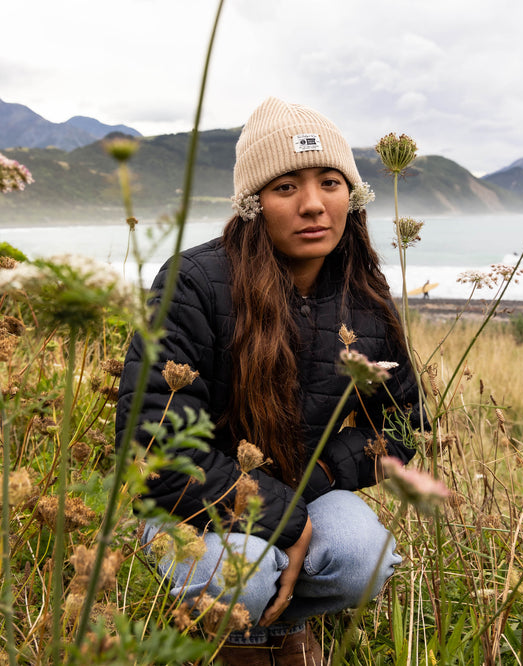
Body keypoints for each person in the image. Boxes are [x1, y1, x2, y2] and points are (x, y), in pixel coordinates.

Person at [116, 97, 422, 666]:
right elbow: (155, 450)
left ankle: (283, 625)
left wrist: (322, 474)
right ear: (253, 203)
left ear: (350, 195)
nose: (313, 205)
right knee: (240, 577)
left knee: (365, 557)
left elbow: (405, 427)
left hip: (304, 487)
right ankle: (239, 636)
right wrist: (285, 517)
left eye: (330, 182)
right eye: (286, 187)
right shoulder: (194, 283)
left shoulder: (367, 295)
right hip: (195, 505)